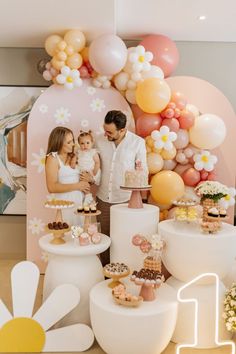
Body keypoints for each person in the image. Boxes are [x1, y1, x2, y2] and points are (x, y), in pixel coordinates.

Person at [81, 110, 147, 266]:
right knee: (103, 239)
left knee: (123, 240)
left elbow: (143, 171)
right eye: (105, 129)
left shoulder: (137, 143)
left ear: (122, 130)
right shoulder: (98, 141)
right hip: (103, 199)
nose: (106, 134)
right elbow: (94, 165)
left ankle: (121, 273)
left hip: (125, 202)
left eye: (110, 131)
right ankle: (106, 275)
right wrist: (92, 178)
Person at [45, 126, 90, 224]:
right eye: (69, 142)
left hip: (80, 204)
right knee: (66, 235)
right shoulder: (53, 158)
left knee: (81, 236)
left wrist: (89, 179)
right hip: (65, 205)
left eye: (73, 140)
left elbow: (85, 178)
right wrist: (78, 186)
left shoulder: (75, 156)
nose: (73, 144)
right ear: (59, 143)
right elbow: (52, 187)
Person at [73, 130, 101, 206]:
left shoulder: (93, 152)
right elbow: (75, 161)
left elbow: (97, 162)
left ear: (92, 143)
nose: (85, 145)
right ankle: (86, 198)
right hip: (81, 170)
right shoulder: (79, 152)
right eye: (82, 143)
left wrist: (94, 172)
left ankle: (89, 198)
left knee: (85, 183)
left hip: (90, 170)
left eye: (87, 143)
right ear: (79, 144)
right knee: (81, 185)